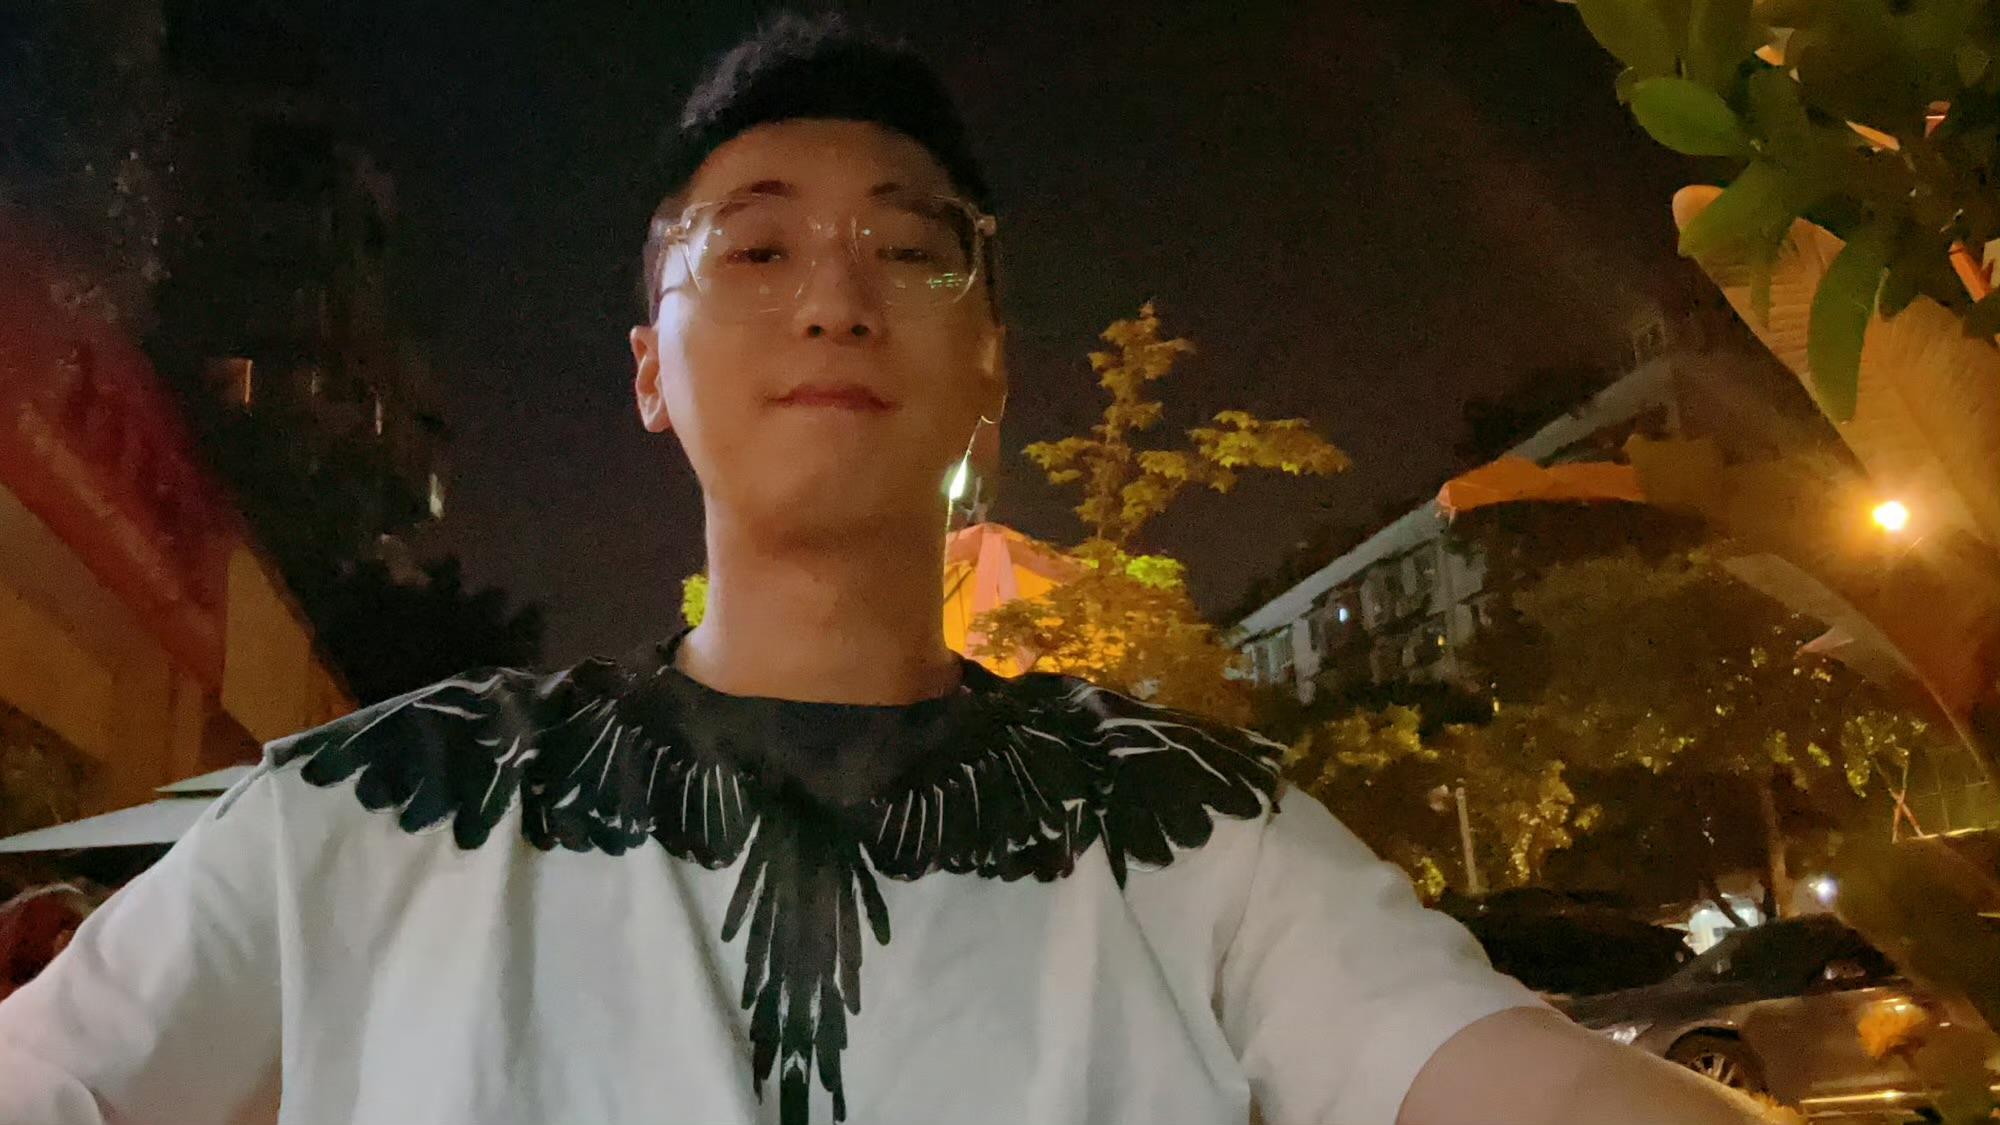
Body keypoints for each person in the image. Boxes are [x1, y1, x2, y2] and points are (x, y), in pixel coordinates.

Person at [0, 15, 1775, 1125]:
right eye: (756, 247)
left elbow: (1495, 1073)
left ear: (992, 358)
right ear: (649, 368)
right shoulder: (376, 810)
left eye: (911, 251)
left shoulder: (1197, 838)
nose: (837, 295)